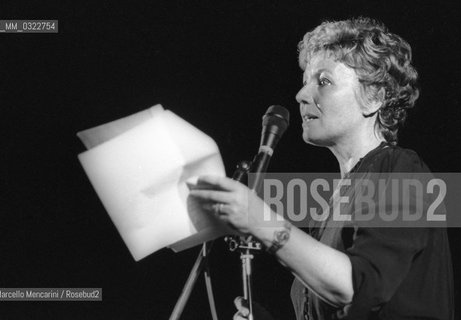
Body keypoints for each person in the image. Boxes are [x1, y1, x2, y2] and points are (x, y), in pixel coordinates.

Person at [190, 17, 454, 320]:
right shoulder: (331, 206)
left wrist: (261, 220)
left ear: (374, 98)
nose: (302, 95)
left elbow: (356, 287)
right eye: (305, 83)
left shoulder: (402, 169)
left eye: (323, 82)